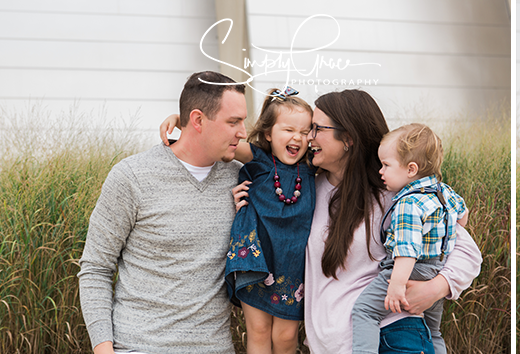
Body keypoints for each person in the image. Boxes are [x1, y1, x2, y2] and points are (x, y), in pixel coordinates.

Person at [301, 90, 482, 354]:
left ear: (348, 138)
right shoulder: (306, 190)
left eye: (318, 128)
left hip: (392, 336)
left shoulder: (395, 195)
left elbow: (467, 253)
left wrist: (436, 288)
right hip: (332, 344)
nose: (309, 137)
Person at [77, 71, 246, 354]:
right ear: (198, 120)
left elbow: (290, 154)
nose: (242, 132)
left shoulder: (242, 179)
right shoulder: (132, 176)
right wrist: (104, 349)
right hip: (139, 347)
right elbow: (96, 267)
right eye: (233, 122)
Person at [158, 86, 315, 354]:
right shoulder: (260, 159)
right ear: (268, 133)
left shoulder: (313, 167)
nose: (297, 138)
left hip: (292, 264)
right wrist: (179, 120)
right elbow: (212, 137)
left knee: (287, 338)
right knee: (259, 331)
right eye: (288, 130)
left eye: (304, 132)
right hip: (255, 260)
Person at [351, 123, 470, 354]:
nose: (380, 171)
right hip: (436, 268)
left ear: (411, 169)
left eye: (386, 165)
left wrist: (396, 285)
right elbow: (463, 216)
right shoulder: (443, 191)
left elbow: (407, 250)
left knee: (365, 311)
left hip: (409, 271)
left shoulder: (408, 202)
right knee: (433, 331)